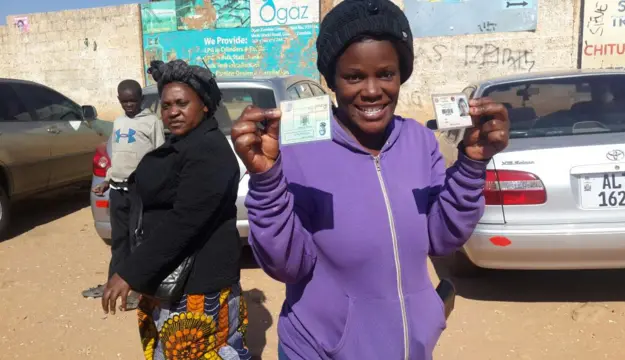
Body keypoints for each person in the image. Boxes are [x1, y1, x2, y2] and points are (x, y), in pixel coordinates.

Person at [231, 0, 510, 359]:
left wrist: (472, 164)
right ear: (331, 80)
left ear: (401, 74)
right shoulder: (297, 150)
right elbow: (286, 265)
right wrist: (266, 180)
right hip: (320, 350)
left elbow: (441, 239)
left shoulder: (419, 141)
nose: (373, 90)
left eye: (386, 74)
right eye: (354, 77)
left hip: (410, 348)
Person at [101, 60, 250, 360]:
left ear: (205, 105)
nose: (172, 112)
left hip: (198, 289)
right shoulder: (182, 143)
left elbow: (184, 222)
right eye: (166, 105)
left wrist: (129, 272)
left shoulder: (208, 151)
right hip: (171, 283)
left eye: (182, 103)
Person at [82, 79, 165, 303]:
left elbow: (160, 156)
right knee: (119, 239)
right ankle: (113, 281)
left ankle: (138, 287)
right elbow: (117, 157)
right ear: (119, 100)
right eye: (124, 101)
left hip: (139, 190)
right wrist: (107, 181)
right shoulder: (118, 123)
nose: (129, 105)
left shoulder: (151, 122)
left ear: (140, 100)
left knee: (138, 238)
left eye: (133, 100)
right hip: (118, 190)